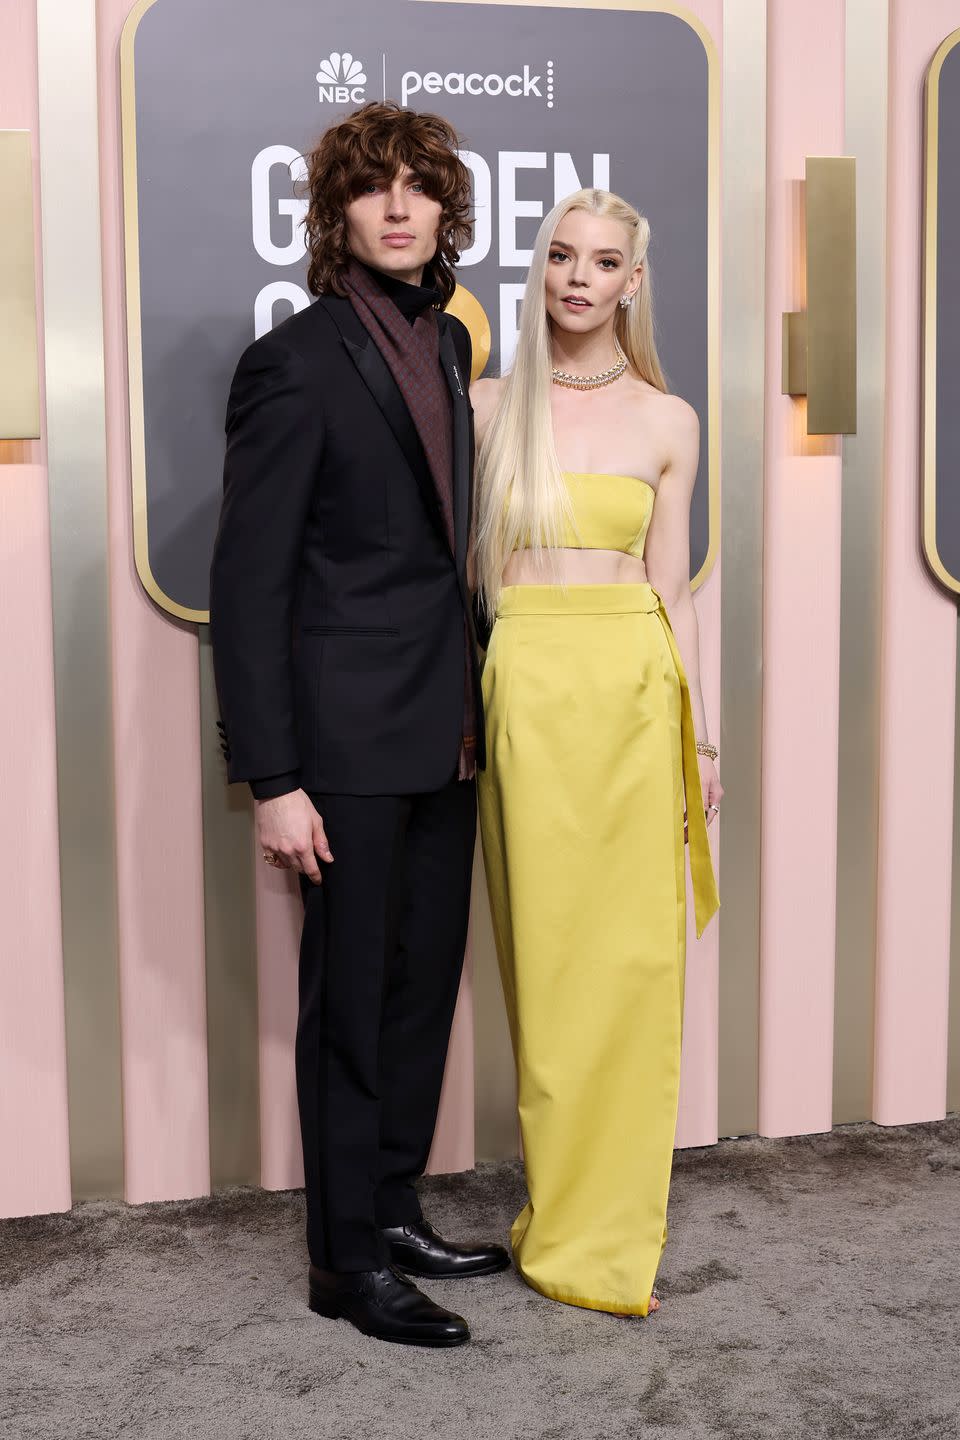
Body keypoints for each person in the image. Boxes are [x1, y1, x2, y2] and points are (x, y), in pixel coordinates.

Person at [209, 101, 508, 1350]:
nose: (398, 207)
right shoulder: (296, 358)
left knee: (420, 989)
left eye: (419, 188)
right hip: (341, 744)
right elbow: (251, 581)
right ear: (335, 214)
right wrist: (273, 776)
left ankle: (391, 1208)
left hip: (445, 732)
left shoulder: (444, 347)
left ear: (446, 211)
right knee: (347, 1006)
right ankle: (344, 1265)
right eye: (372, 189)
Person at [471, 188, 721, 1318]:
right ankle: (560, 1210)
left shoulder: (672, 422)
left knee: (630, 968)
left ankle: (607, 1238)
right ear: (543, 268)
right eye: (563, 254)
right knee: (551, 967)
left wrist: (698, 739)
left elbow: (674, 597)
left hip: (630, 692)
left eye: (604, 260)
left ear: (633, 281)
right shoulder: (484, 408)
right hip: (525, 683)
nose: (580, 276)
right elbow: (467, 585)